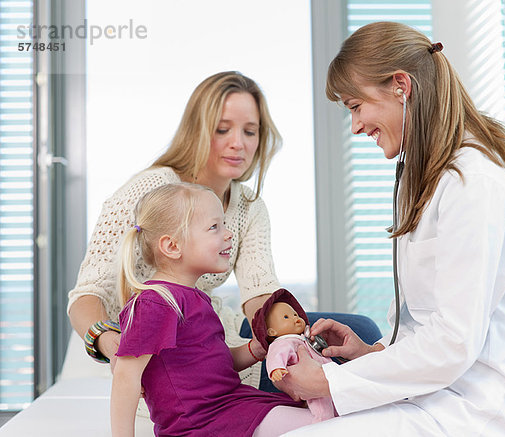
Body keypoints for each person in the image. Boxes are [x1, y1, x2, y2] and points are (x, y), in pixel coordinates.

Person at [275, 21, 505, 437]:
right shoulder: (427, 177)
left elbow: (454, 342)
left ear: (400, 86)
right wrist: (369, 352)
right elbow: (426, 324)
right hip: (442, 393)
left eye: (355, 106)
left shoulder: (474, 183)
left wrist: (331, 381)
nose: (354, 126)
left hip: (484, 406)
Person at [67, 71, 381, 391]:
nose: (238, 144)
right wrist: (114, 348)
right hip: (160, 348)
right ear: (197, 131)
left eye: (250, 131)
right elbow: (87, 296)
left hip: (214, 331)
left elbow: (259, 295)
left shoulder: (249, 205)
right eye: (222, 129)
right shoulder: (149, 191)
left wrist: (291, 340)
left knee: (361, 334)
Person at [111, 183, 315, 437]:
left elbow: (213, 366)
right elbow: (125, 377)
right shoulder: (156, 302)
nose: (228, 234)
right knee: (324, 425)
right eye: (214, 227)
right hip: (203, 423)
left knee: (324, 416)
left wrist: (254, 349)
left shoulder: (193, 298)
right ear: (172, 246)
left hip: (229, 407)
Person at [251, 288, 335, 423]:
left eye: (295, 314)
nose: (295, 318)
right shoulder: (284, 342)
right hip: (310, 381)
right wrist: (276, 369)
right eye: (286, 317)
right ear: (271, 331)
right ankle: (323, 425)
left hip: (329, 376)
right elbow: (276, 356)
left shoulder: (304, 338)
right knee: (322, 408)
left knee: (338, 403)